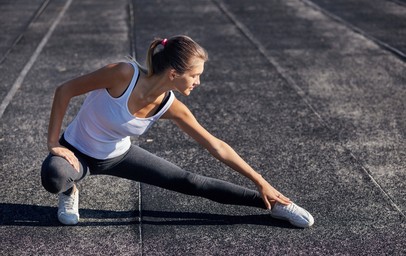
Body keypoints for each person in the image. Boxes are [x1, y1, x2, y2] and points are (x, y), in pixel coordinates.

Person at [41, 35, 314, 228]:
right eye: (195, 75)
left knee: (191, 182)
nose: (199, 81)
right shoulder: (123, 74)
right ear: (173, 73)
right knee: (54, 176)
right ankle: (70, 191)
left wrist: (261, 182)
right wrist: (54, 142)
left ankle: (276, 206)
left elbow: (216, 146)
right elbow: (65, 90)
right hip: (75, 152)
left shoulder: (172, 107)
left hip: (119, 156)